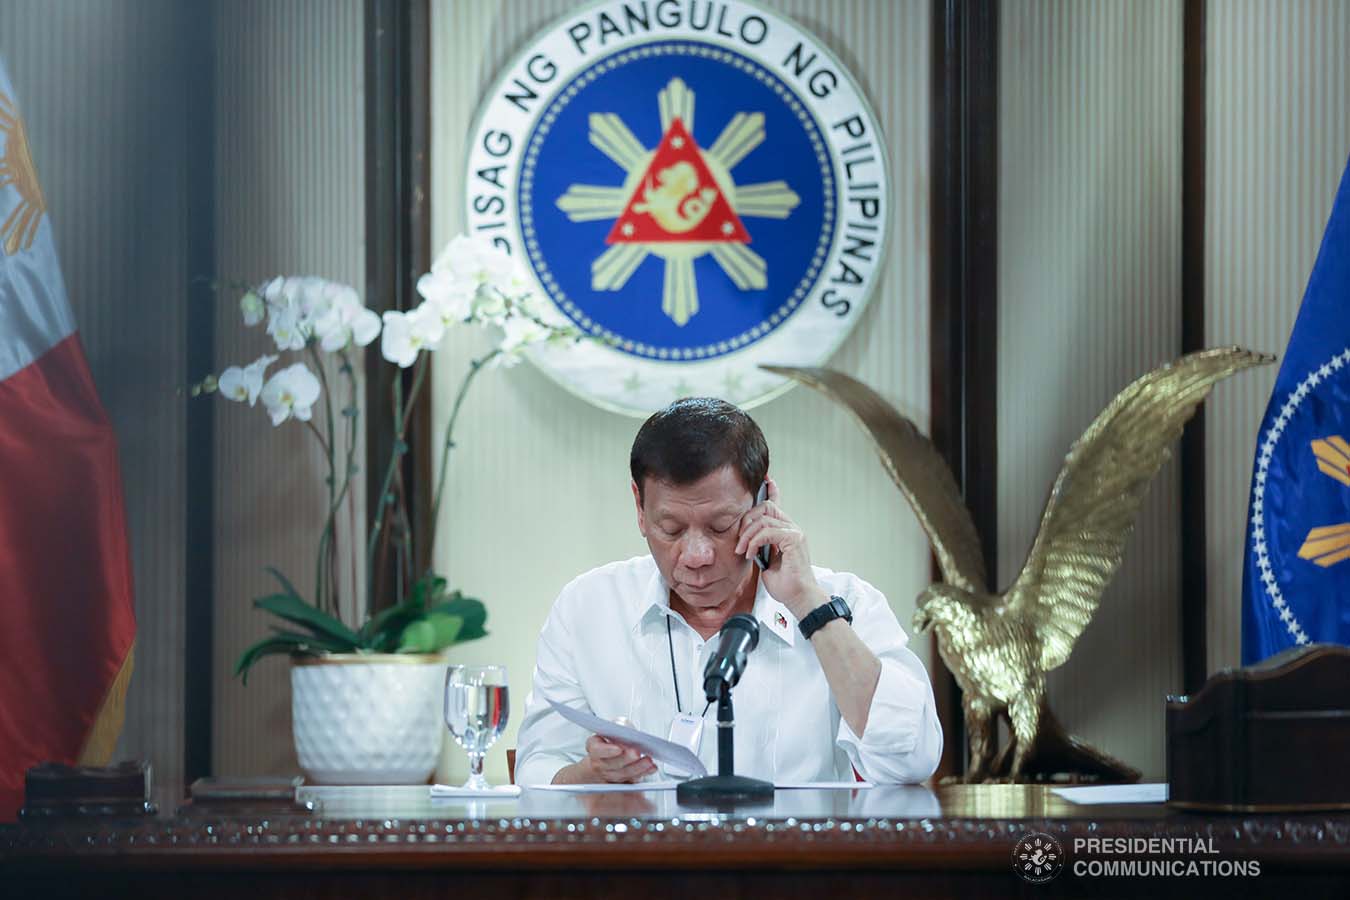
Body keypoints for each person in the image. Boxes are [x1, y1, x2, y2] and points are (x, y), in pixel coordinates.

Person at [513, 398, 942, 786]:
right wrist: (592, 774)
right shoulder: (588, 608)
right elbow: (536, 766)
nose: (696, 555)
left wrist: (808, 603)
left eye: (721, 527)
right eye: (671, 529)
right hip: (639, 869)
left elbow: (909, 760)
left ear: (765, 501)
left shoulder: (845, 602)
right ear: (639, 509)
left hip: (796, 868)